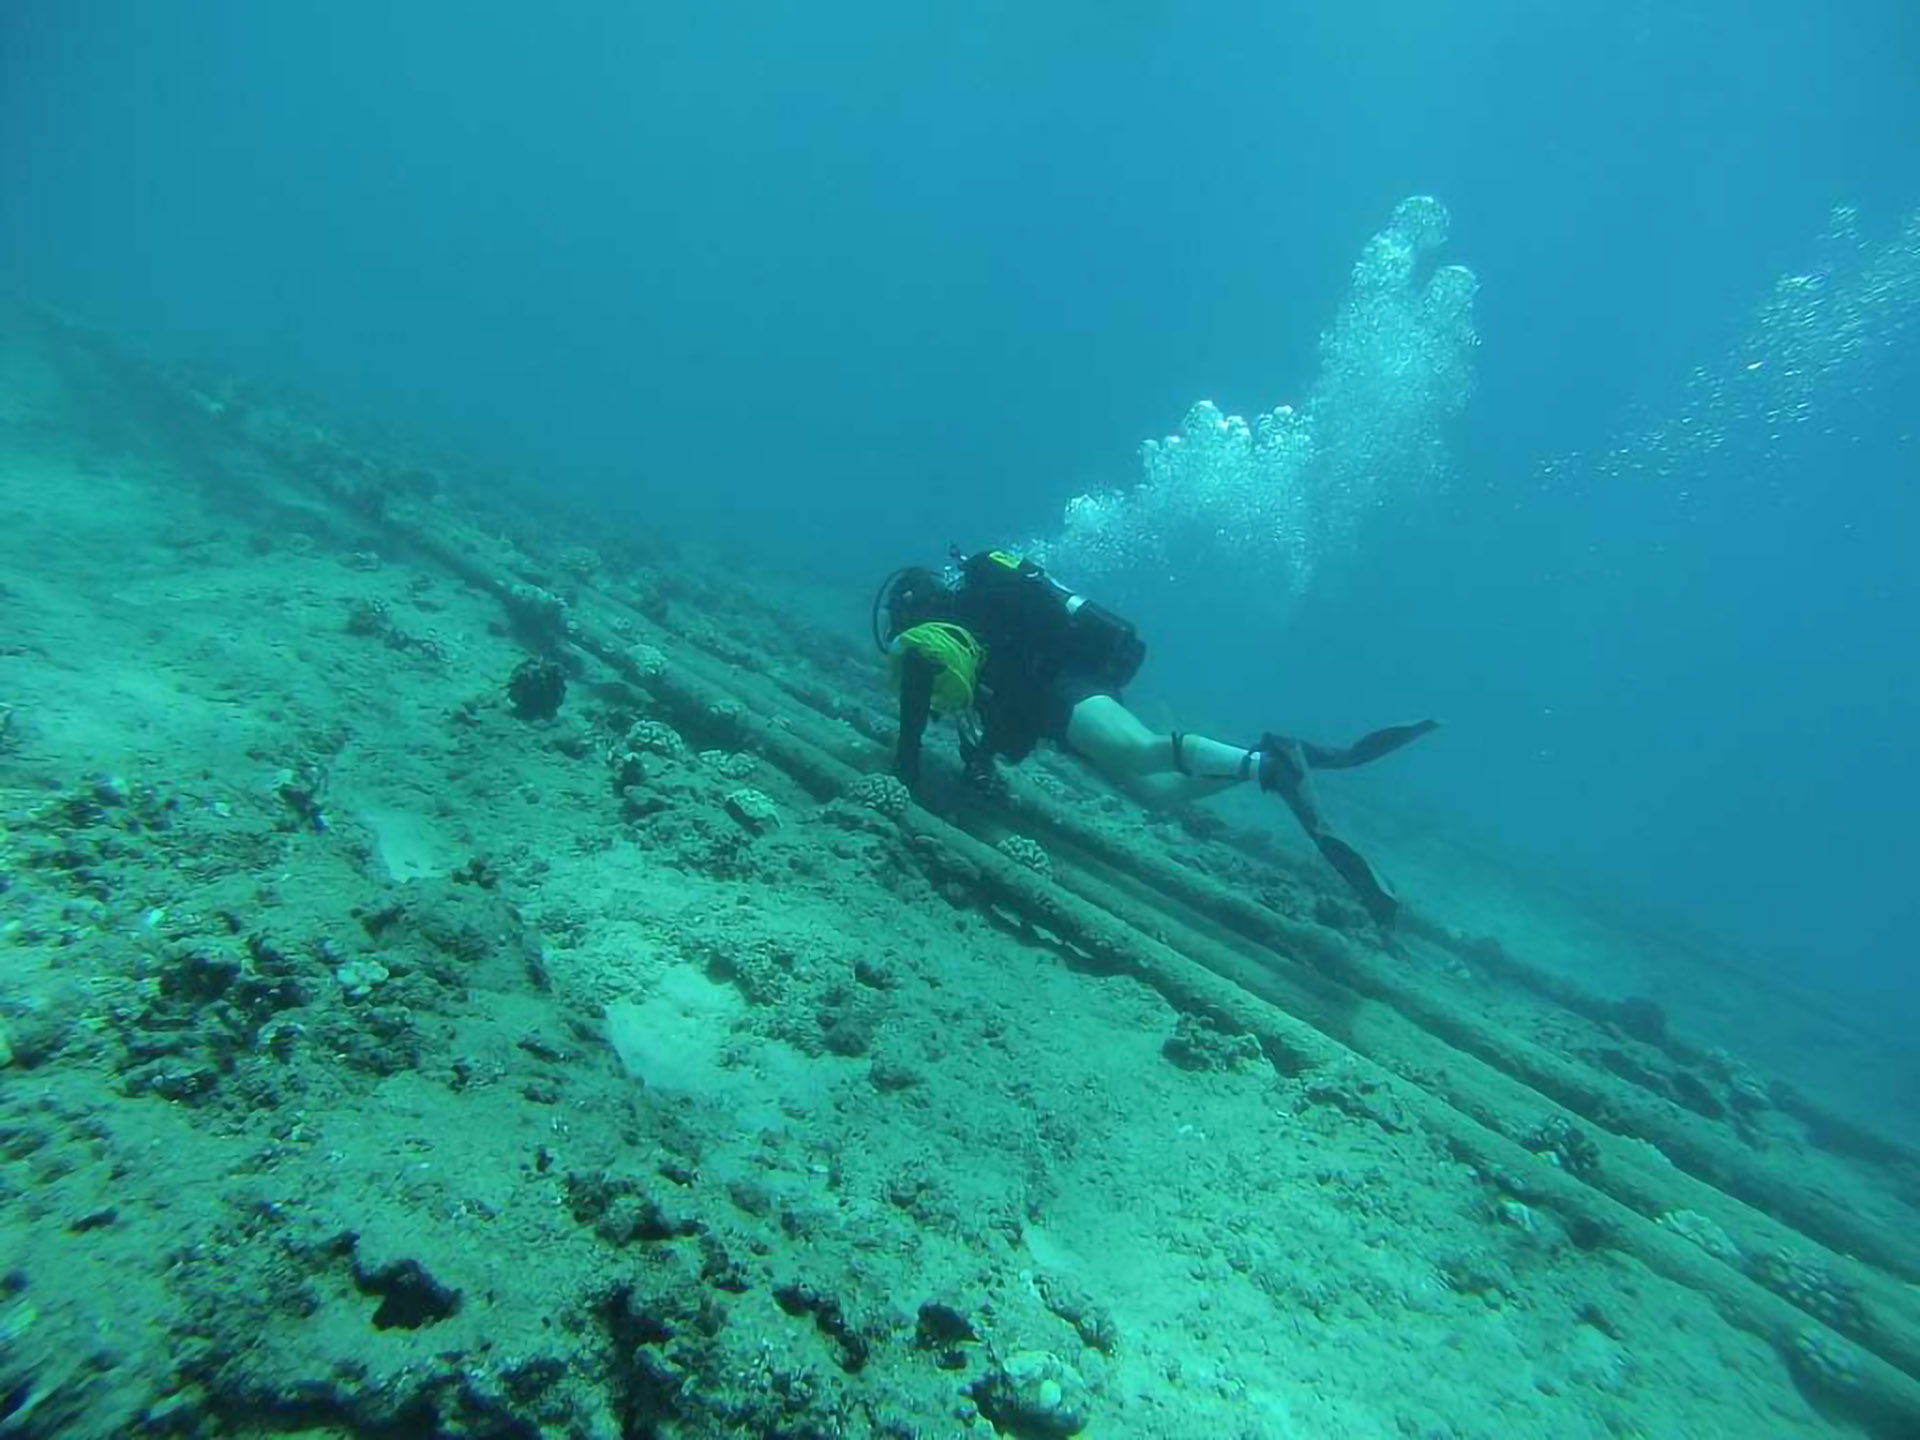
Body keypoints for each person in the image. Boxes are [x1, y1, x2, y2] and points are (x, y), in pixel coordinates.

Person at [874, 549, 1439, 929]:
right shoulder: (963, 636)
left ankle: (1267, 767)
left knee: (1137, 751)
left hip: (1064, 690)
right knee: (1159, 792)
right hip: (1054, 705)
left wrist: (902, 780)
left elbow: (916, 728)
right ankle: (1276, 755)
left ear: (912, 611)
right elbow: (995, 714)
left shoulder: (933, 646)